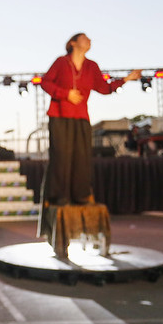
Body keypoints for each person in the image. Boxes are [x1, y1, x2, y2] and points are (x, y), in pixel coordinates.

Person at [39, 33, 141, 205]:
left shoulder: (91, 66)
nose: (89, 40)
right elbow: (45, 82)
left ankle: (80, 195)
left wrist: (126, 79)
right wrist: (65, 94)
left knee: (82, 156)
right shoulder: (61, 62)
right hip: (59, 115)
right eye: (85, 38)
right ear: (73, 43)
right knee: (61, 156)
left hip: (81, 117)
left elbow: (104, 88)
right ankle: (59, 196)